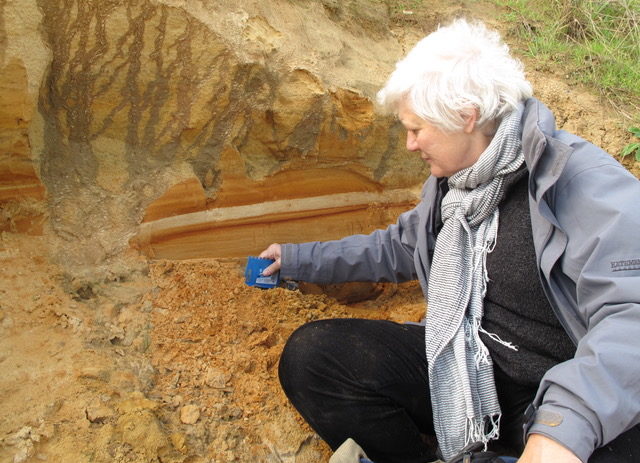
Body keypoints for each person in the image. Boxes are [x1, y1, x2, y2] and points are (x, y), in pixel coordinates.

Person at [258, 18, 640, 463]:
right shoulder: (456, 187)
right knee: (316, 358)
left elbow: (629, 319)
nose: (409, 144)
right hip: (467, 367)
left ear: (465, 116)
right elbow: (400, 246)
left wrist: (561, 428)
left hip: (562, 389)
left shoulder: (580, 185)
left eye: (417, 128)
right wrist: (298, 260)